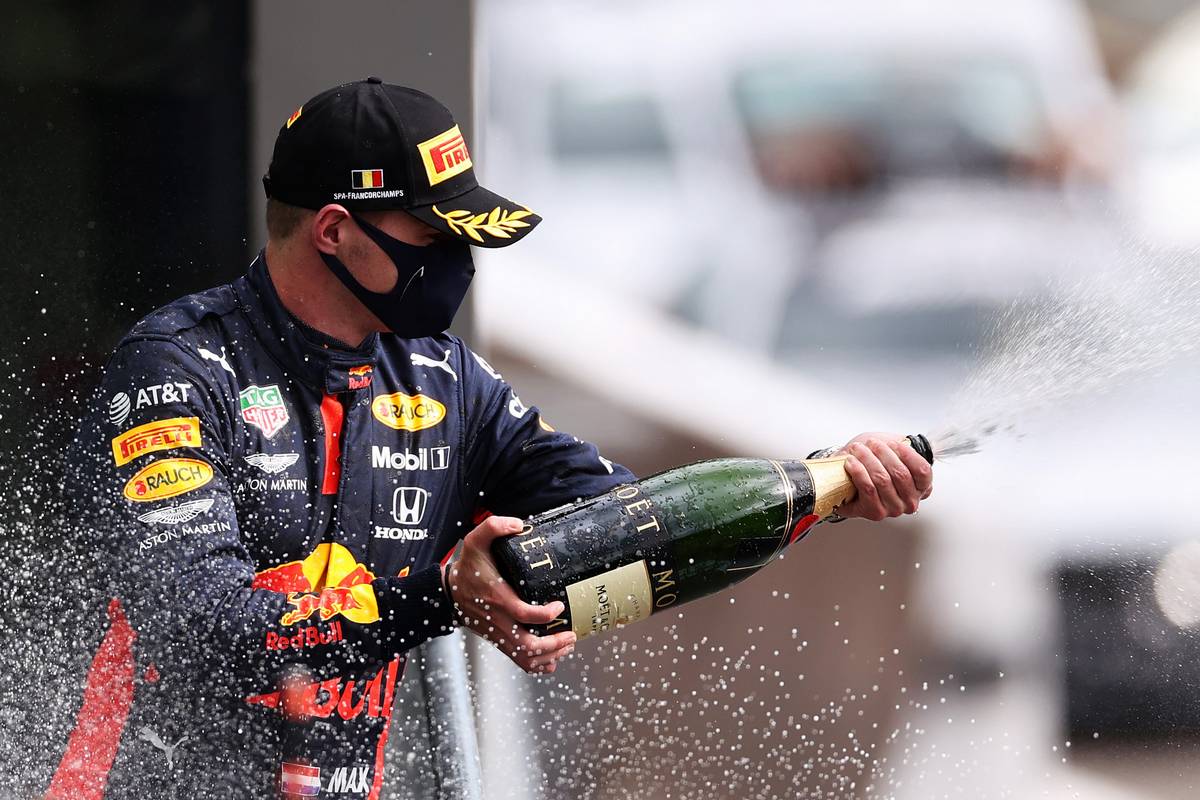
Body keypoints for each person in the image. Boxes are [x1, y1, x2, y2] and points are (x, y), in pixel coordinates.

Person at [46, 78, 933, 799]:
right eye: (434, 234)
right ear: (334, 233)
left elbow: (631, 521)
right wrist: (450, 597)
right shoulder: (175, 372)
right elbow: (203, 628)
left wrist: (830, 485)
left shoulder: (446, 383)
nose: (461, 258)